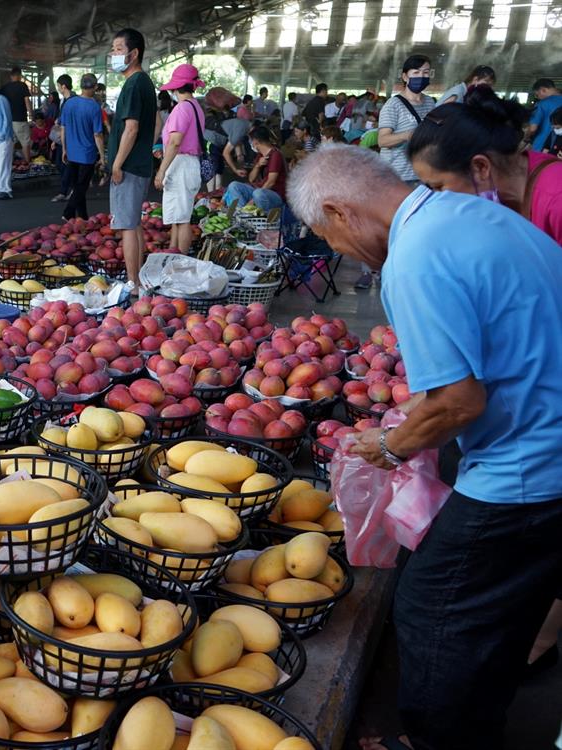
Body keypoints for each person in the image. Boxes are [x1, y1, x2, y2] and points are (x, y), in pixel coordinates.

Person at [288, 142, 562, 750]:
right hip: (549, 439)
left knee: (435, 609)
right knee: (503, 608)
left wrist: (390, 444)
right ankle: (480, 720)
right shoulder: (473, 214)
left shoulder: (413, 261)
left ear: (339, 212)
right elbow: (499, 347)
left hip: (530, 469)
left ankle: (437, 739)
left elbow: (459, 404)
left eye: (324, 236)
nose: (333, 250)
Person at [409, 86, 562, 246]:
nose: (438, 198)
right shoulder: (504, 194)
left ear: (481, 167)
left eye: (439, 186)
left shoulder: (557, 199)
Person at [106, 27, 156, 288]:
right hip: (139, 164)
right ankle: (138, 280)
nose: (112, 54)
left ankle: (133, 282)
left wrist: (116, 163)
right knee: (134, 224)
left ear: (133, 54)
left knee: (127, 225)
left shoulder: (135, 84)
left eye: (118, 49)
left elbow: (132, 128)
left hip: (129, 166)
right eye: (112, 49)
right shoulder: (143, 83)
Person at [154, 64, 207, 251]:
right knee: (178, 217)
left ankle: (181, 260)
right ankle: (174, 254)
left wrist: (161, 170)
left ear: (176, 87)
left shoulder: (182, 108)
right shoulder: (195, 107)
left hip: (181, 165)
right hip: (188, 163)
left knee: (182, 219)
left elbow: (175, 142)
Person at [377, 54, 436, 185]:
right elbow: (382, 141)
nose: (421, 76)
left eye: (425, 72)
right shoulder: (393, 105)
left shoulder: (430, 102)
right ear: (405, 77)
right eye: (416, 72)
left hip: (423, 175)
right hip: (398, 176)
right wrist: (409, 135)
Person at [60, 73, 105, 221]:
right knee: (81, 188)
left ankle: (82, 217)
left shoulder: (69, 103)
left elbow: (63, 128)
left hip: (72, 153)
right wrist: (103, 157)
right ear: (95, 87)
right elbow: (97, 135)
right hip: (87, 154)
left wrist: (65, 149)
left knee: (78, 187)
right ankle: (68, 213)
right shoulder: (94, 107)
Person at [223, 125, 286, 213]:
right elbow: (251, 179)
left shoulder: (276, 155)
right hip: (260, 191)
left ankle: (248, 212)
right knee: (234, 186)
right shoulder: (260, 155)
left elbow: (271, 182)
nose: (251, 143)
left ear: (256, 141)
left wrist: (252, 201)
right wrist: (258, 165)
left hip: (275, 195)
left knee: (258, 194)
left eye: (251, 140)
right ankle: (242, 215)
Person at [0, 67, 33, 162]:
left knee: (11, 142)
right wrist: (31, 114)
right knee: (25, 142)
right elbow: (27, 100)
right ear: (19, 75)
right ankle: (27, 163)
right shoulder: (22, 86)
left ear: (11, 76)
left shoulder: (5, 88)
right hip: (20, 120)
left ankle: (10, 163)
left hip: (7, 121)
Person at [51, 74, 76, 203]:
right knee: (60, 164)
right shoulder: (63, 101)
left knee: (67, 164)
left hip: (71, 138)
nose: (58, 88)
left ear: (63, 86)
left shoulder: (73, 101)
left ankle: (64, 191)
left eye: (58, 86)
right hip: (62, 137)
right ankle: (71, 188)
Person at [528, 78, 562, 152]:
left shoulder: (542, 104)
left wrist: (526, 137)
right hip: (559, 149)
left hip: (541, 146)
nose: (538, 97)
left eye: (537, 95)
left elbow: (532, 128)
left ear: (543, 90)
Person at [153, 90, 174, 159]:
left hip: (158, 138)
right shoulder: (172, 112)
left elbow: (158, 126)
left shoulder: (158, 113)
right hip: (169, 139)